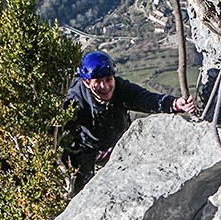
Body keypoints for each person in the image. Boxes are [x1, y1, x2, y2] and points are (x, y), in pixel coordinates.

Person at [63, 51, 197, 195]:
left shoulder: (120, 89)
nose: (105, 86)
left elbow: (144, 98)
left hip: (116, 144)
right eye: (98, 82)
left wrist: (174, 104)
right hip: (85, 151)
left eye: (108, 79)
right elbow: (60, 136)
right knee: (82, 191)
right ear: (86, 83)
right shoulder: (74, 100)